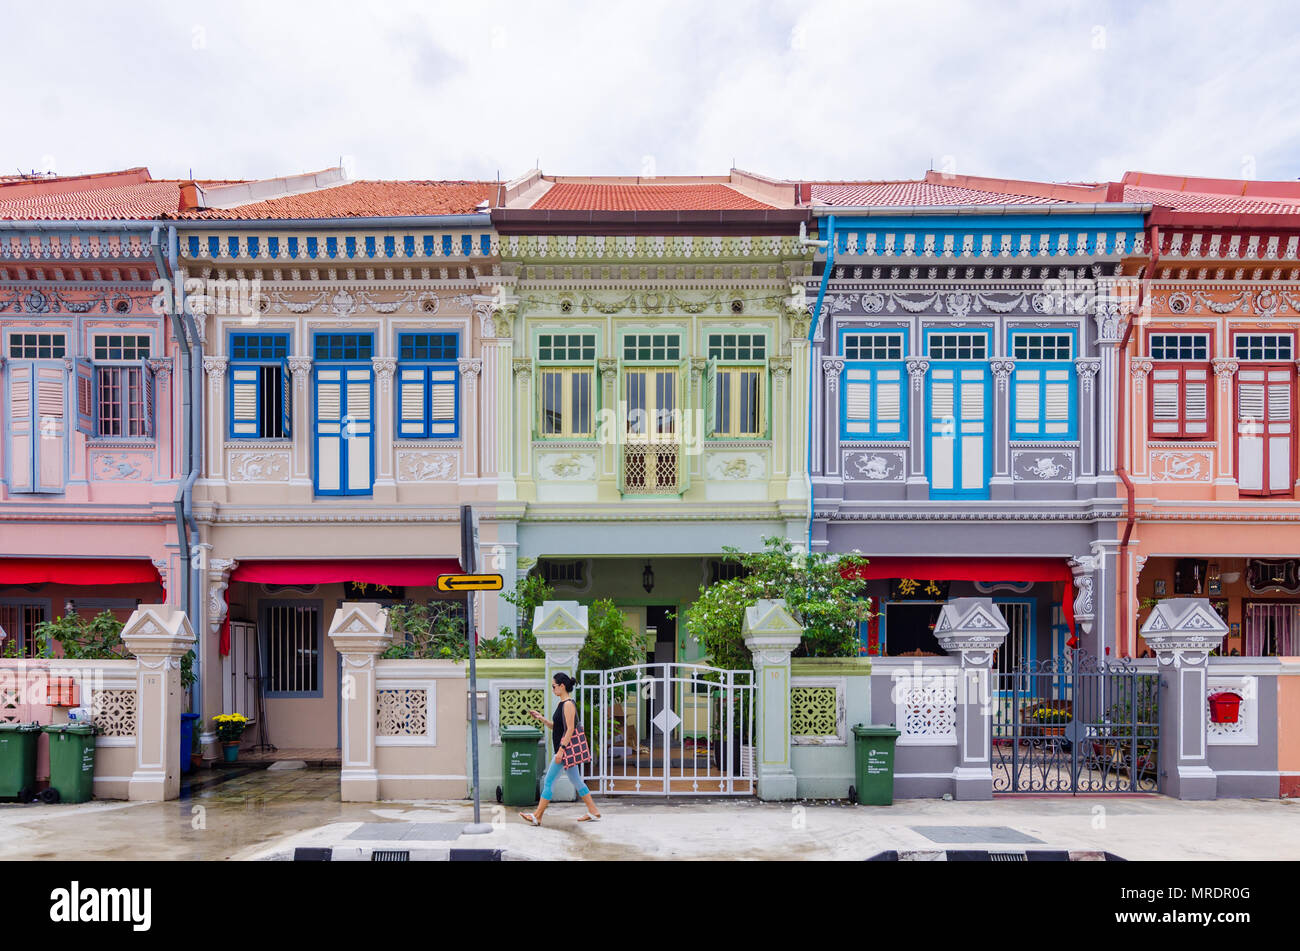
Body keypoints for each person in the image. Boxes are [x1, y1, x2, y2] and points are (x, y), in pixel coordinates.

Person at [519, 672, 602, 826]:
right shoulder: (561, 704)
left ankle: (537, 816)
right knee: (576, 780)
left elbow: (570, 729)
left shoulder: (569, 704)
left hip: (564, 750)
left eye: (554, 686)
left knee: (549, 781)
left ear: (562, 686)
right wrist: (541, 718)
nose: (552, 689)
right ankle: (593, 810)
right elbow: (557, 727)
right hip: (564, 750)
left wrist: (561, 750)